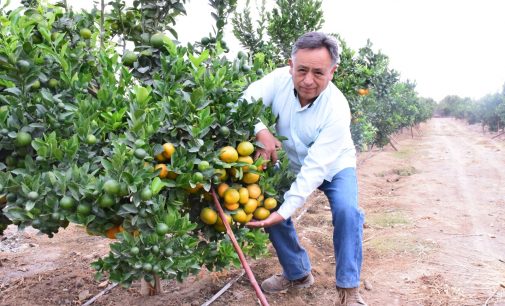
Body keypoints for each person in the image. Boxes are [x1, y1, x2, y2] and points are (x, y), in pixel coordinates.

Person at [243, 31, 367, 306]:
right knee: (270, 205)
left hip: (334, 165)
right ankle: (297, 273)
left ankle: (349, 290)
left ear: (332, 72)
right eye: (301, 70)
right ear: (290, 65)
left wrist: (286, 211)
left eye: (318, 73)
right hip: (289, 162)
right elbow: (244, 101)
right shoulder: (277, 81)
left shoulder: (336, 109)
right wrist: (260, 130)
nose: (308, 80)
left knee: (348, 212)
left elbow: (314, 169)